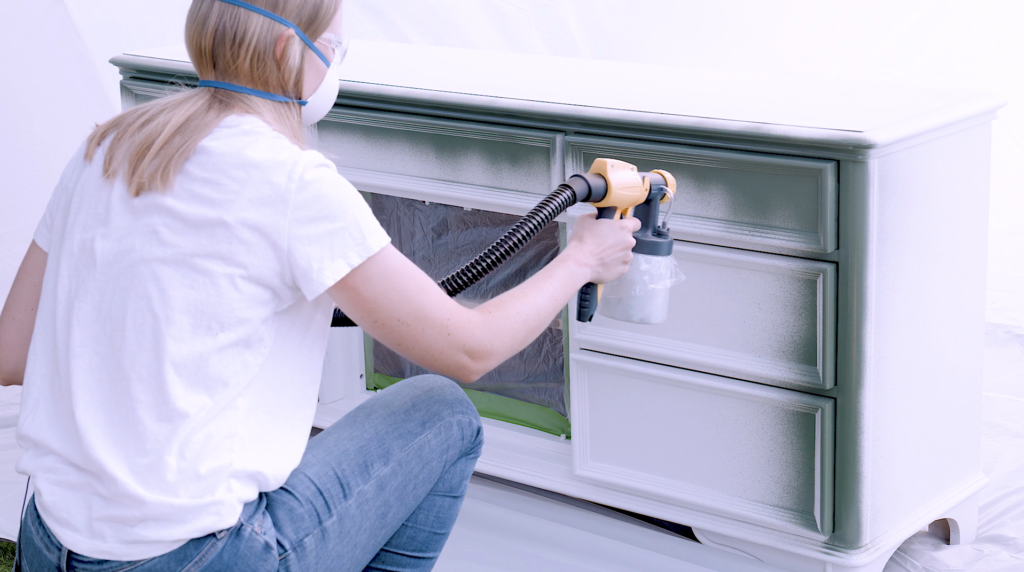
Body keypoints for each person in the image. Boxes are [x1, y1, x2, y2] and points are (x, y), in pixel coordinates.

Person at [0, 0, 639, 570]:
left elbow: (11, 352)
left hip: (50, 542)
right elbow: (468, 348)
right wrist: (581, 258)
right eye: (334, 47)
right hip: (192, 557)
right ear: (288, 49)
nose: (336, 62)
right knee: (440, 413)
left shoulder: (107, 150)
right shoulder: (293, 183)